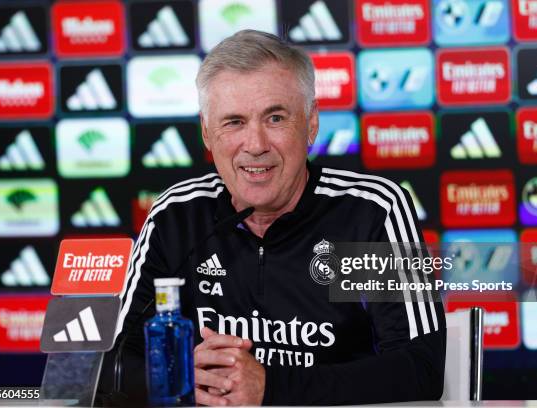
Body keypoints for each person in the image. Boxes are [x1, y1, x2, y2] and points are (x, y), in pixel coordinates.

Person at [97, 29, 445, 406]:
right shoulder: (177, 216)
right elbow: (108, 367)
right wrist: (176, 376)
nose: (256, 144)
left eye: (275, 118)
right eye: (234, 122)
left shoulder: (368, 212)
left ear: (311, 124)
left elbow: (421, 369)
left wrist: (270, 387)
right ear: (207, 133)